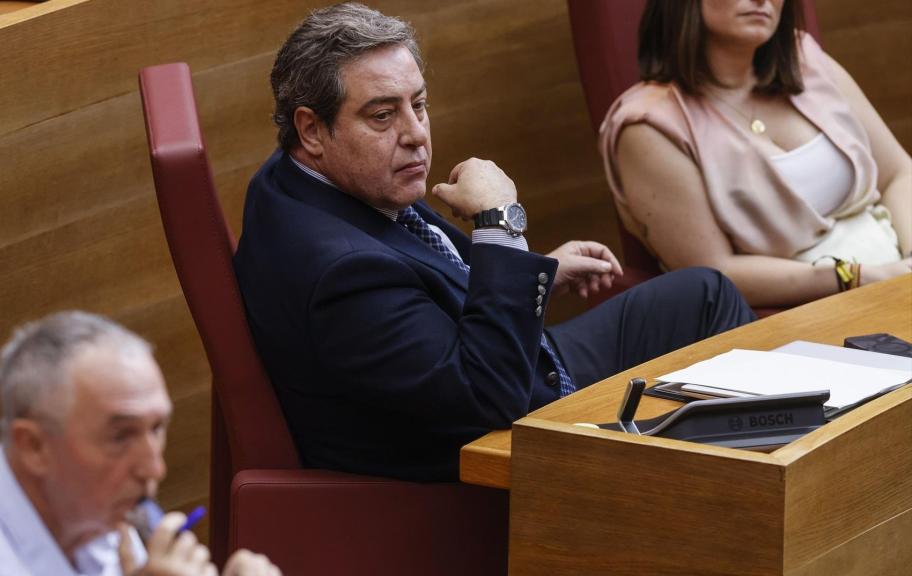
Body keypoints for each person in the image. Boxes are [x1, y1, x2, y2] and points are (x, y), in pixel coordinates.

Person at [233, 2, 756, 482]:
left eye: (419, 104)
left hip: (487, 370)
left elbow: (419, 302)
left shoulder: (297, 180)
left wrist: (533, 272)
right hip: (490, 455)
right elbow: (489, 396)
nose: (415, 134)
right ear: (312, 129)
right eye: (382, 115)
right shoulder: (342, 273)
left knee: (705, 295)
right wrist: (500, 225)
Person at [0, 311, 280, 576]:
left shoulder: (88, 508)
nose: (153, 469)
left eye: (157, 428)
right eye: (120, 435)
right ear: (33, 447)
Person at [600, 0, 912, 308]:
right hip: (797, 312)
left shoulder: (806, 58)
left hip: (896, 272)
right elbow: (713, 272)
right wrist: (856, 276)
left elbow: (899, 173)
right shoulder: (649, 125)